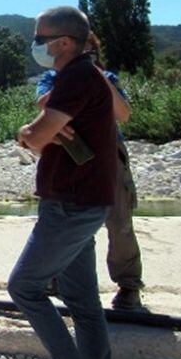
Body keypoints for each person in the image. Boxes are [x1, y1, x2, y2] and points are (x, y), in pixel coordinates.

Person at [9, 6, 116, 359]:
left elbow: (37, 136)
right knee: (82, 300)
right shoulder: (85, 76)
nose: (36, 45)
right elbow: (49, 132)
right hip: (84, 200)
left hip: (71, 204)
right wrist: (42, 133)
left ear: (64, 42)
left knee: (24, 287)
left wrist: (29, 132)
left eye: (40, 38)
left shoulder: (75, 77)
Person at [35, 32, 143, 310]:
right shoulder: (52, 79)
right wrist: (73, 79)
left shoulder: (108, 78)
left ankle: (129, 285)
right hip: (71, 154)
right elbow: (42, 104)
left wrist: (98, 78)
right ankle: (58, 278)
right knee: (67, 220)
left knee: (119, 223)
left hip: (109, 156)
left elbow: (124, 114)